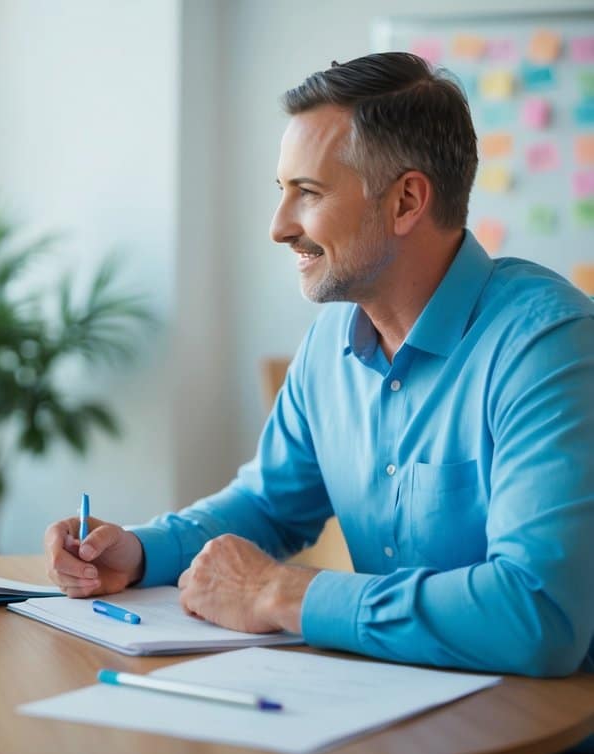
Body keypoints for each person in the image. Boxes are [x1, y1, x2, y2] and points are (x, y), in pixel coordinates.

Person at [46, 52, 594, 684]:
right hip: (393, 706)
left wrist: (284, 594)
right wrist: (139, 553)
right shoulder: (331, 342)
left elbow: (538, 615)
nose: (279, 227)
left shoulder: (548, 345)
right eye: (282, 191)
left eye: (307, 193)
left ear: (406, 201)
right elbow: (268, 506)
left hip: (544, 737)